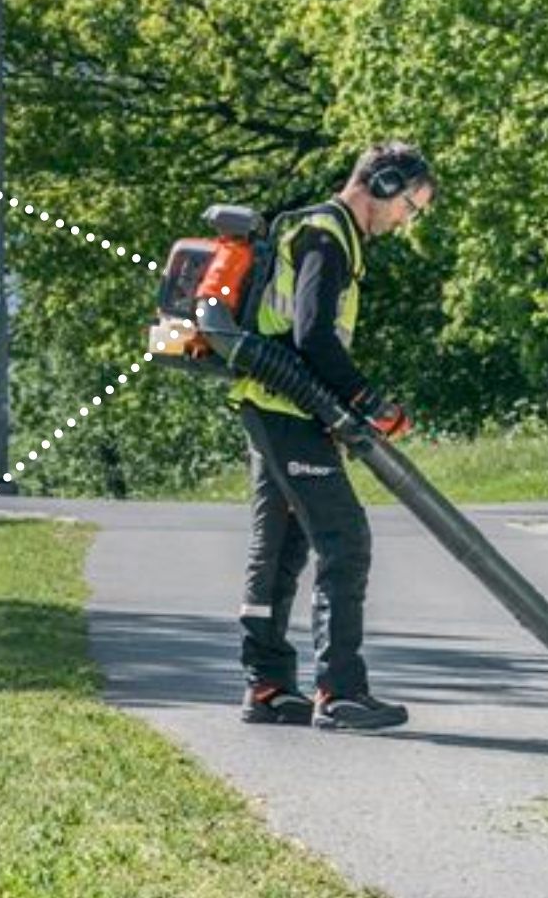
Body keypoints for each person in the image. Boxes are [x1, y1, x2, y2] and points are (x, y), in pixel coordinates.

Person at [229, 141, 435, 731]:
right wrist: (368, 402)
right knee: (346, 539)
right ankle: (339, 691)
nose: (405, 222)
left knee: (282, 546)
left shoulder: (329, 234)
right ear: (386, 184)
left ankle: (267, 686)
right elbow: (313, 335)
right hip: (285, 407)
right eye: (410, 207)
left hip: (278, 404)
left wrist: (338, 410)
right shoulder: (328, 234)